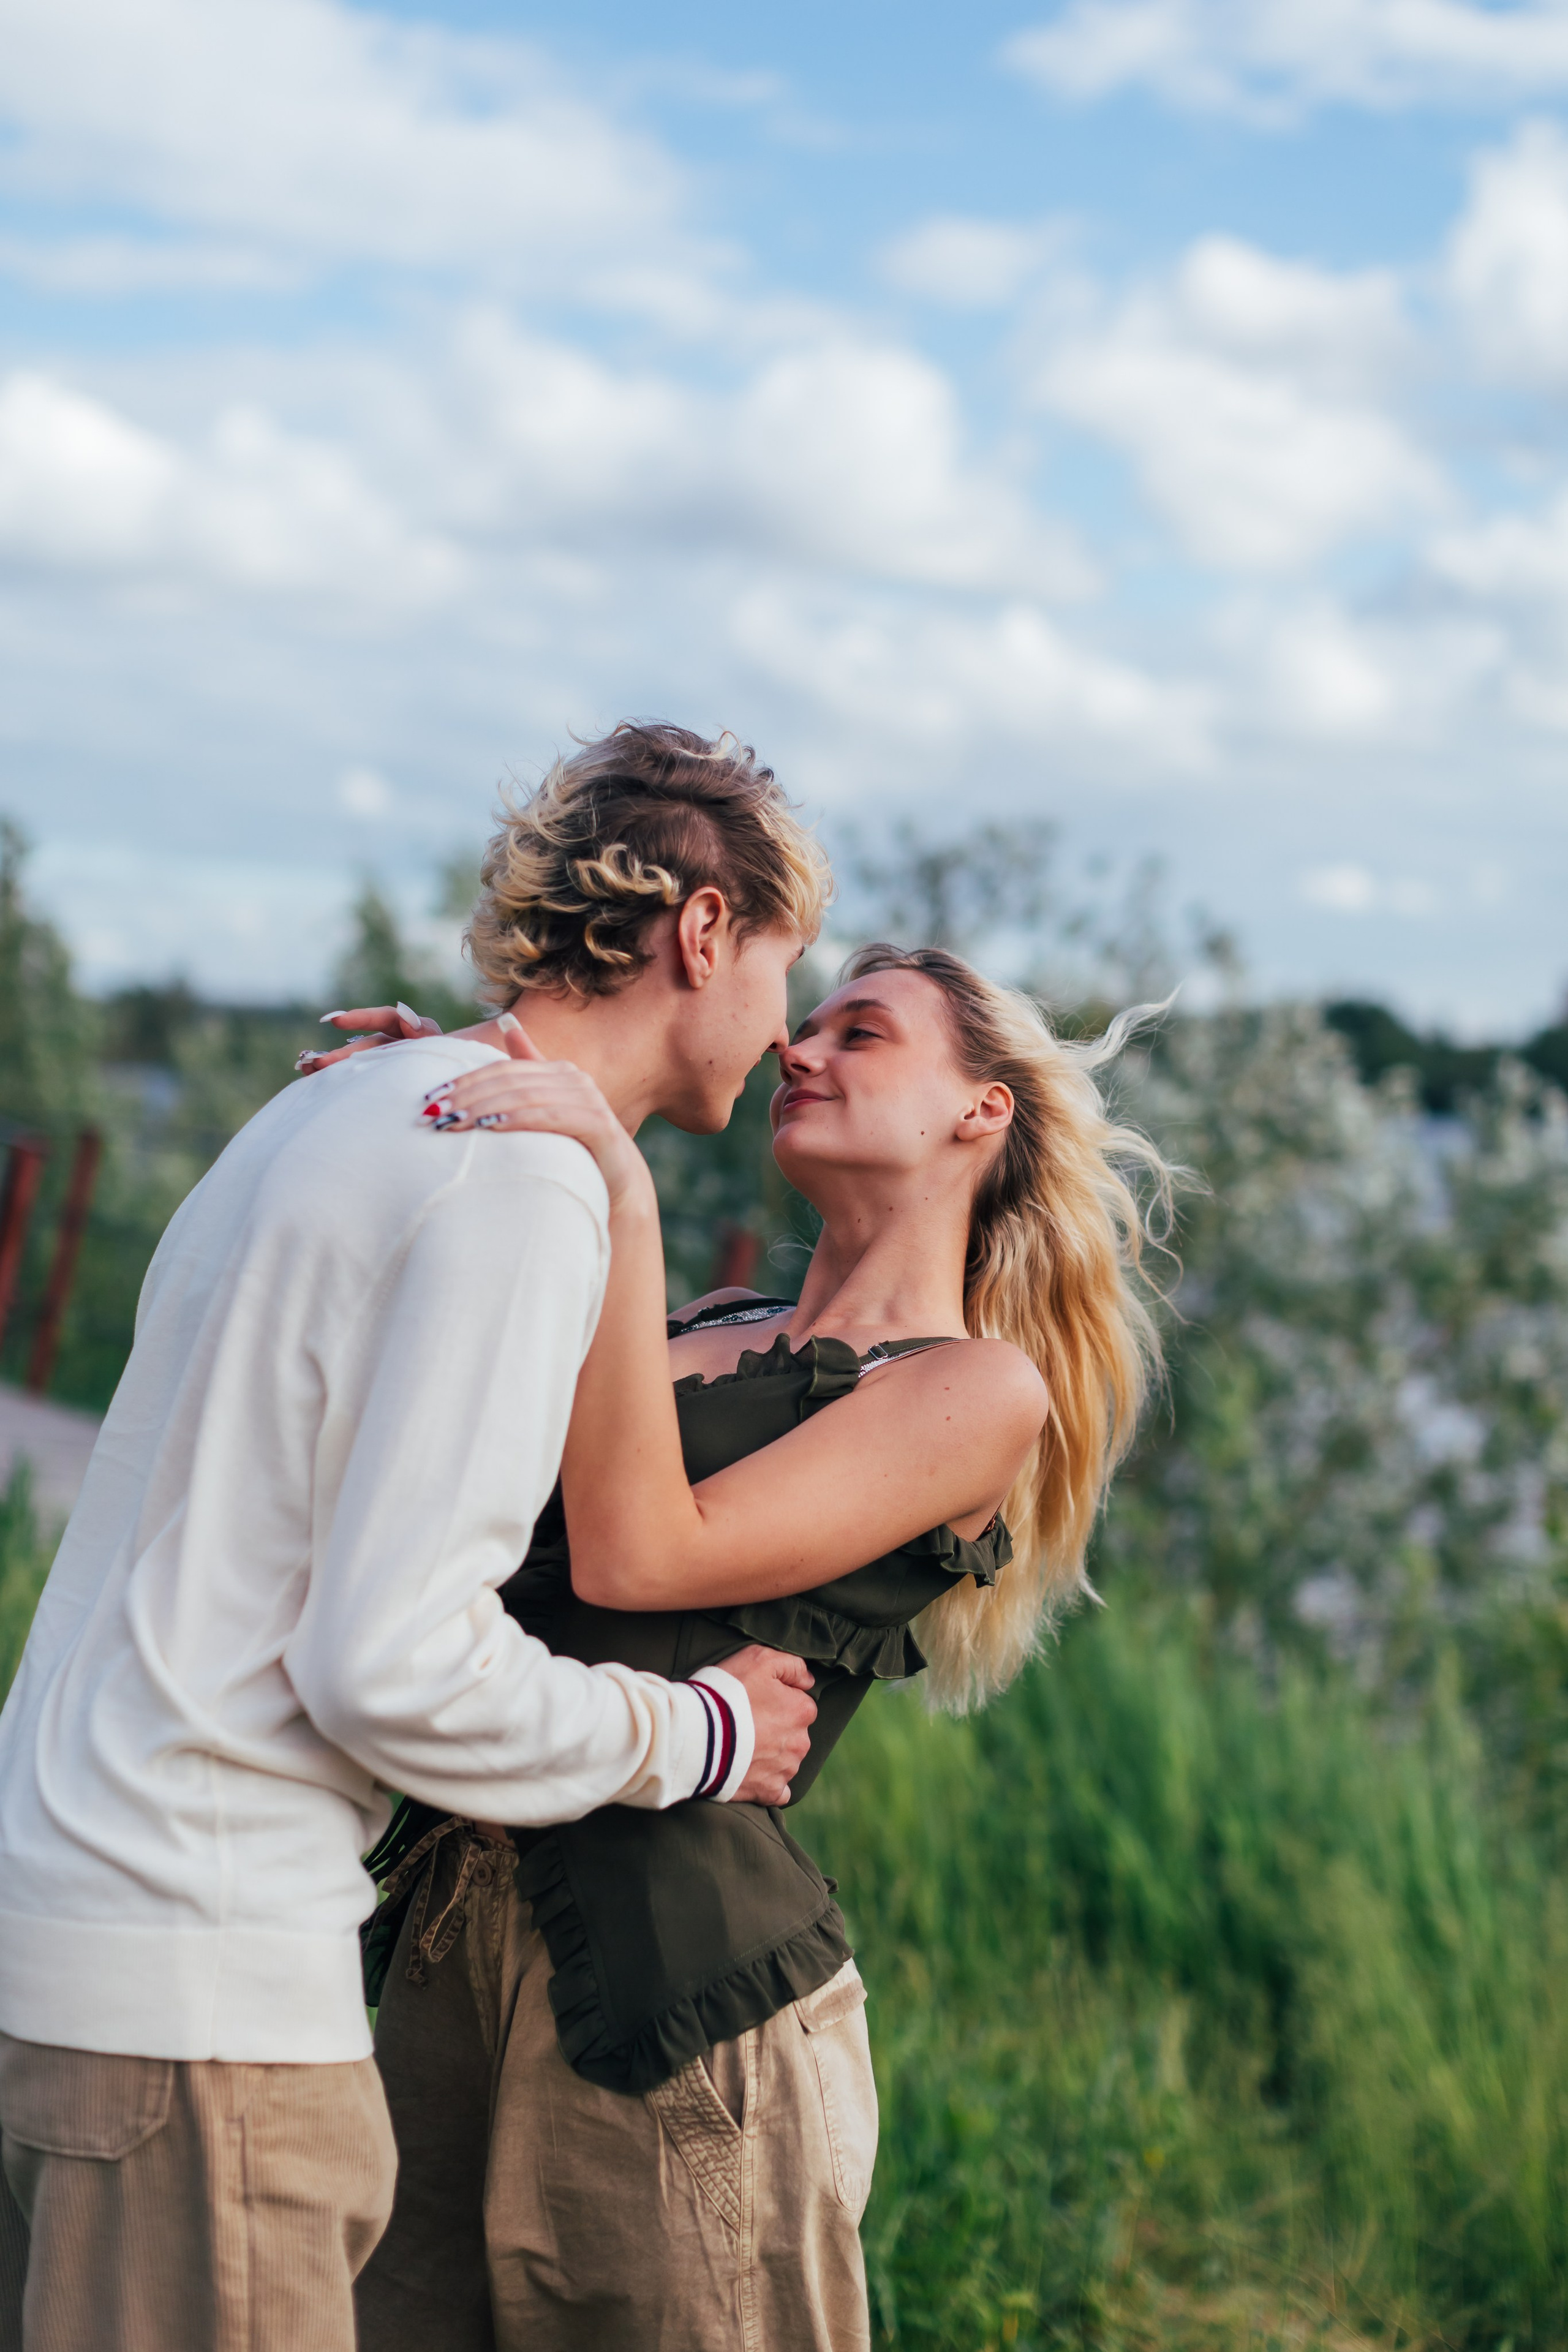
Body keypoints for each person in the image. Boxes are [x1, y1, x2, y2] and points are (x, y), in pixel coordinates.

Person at [0, 724, 830, 2352]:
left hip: (64, 1933)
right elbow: (389, 1666)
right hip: (198, 2000)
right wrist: (703, 1726)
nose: (789, 1033)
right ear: (707, 931)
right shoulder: (517, 1176)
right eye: (793, 969)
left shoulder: (349, 1102)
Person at [345, 943, 1174, 2352]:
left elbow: (639, 1554)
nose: (799, 1047)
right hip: (434, 1941)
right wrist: (450, 1104)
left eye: (862, 1032)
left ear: (981, 1110)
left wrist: (620, 1180)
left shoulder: (972, 1390)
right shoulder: (702, 1327)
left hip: (678, 2010)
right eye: (809, 1021)